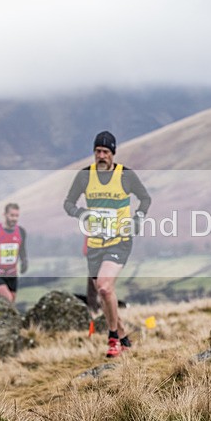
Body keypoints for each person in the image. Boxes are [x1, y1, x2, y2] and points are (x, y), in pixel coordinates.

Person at [63, 131, 151, 358]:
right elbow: (68, 203)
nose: (101, 156)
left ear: (113, 153)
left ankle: (113, 339)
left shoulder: (125, 175)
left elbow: (145, 198)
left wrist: (138, 218)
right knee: (105, 294)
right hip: (95, 243)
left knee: (103, 286)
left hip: (119, 241)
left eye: (105, 152)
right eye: (97, 151)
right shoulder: (85, 176)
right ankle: (124, 337)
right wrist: (81, 213)